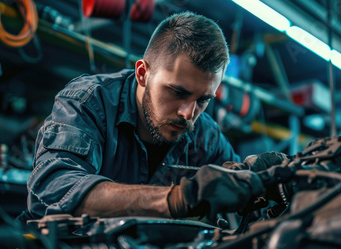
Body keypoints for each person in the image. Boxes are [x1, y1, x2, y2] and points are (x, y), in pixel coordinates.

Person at [20, 12, 282, 223]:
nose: (188, 114)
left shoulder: (205, 135)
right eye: (177, 92)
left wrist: (260, 180)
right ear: (143, 73)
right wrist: (176, 200)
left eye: (203, 100)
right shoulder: (88, 102)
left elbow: (241, 192)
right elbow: (53, 189)